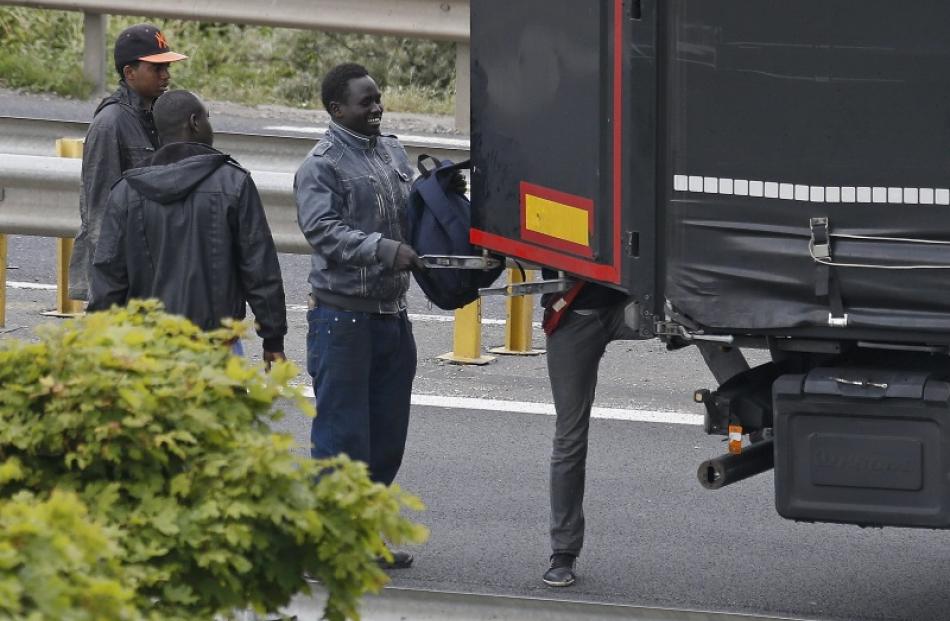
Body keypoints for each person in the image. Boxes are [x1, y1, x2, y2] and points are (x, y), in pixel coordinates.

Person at [295, 63, 435, 569]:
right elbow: (322, 231)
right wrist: (382, 249)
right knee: (341, 440)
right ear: (337, 110)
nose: (376, 108)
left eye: (378, 98)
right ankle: (331, 547)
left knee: (385, 439)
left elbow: (416, 214)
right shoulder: (321, 165)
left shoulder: (393, 151)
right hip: (342, 320)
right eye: (365, 102)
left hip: (392, 317)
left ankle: (363, 536)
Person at [87, 90, 287, 365]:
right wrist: (273, 338)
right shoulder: (233, 183)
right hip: (217, 345)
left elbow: (109, 276)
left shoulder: (126, 190)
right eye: (207, 117)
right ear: (194, 122)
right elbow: (259, 268)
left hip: (147, 345)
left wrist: (100, 341)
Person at [69, 23, 187, 301]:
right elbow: (99, 211)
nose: (166, 75)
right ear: (129, 73)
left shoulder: (156, 114)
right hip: (121, 278)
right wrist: (109, 287)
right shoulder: (109, 124)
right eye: (157, 69)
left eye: (167, 68)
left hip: (149, 268)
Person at [541, 278, 638, 587]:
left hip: (634, 305)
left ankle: (757, 414)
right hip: (573, 311)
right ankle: (563, 551)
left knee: (706, 322)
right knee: (569, 439)